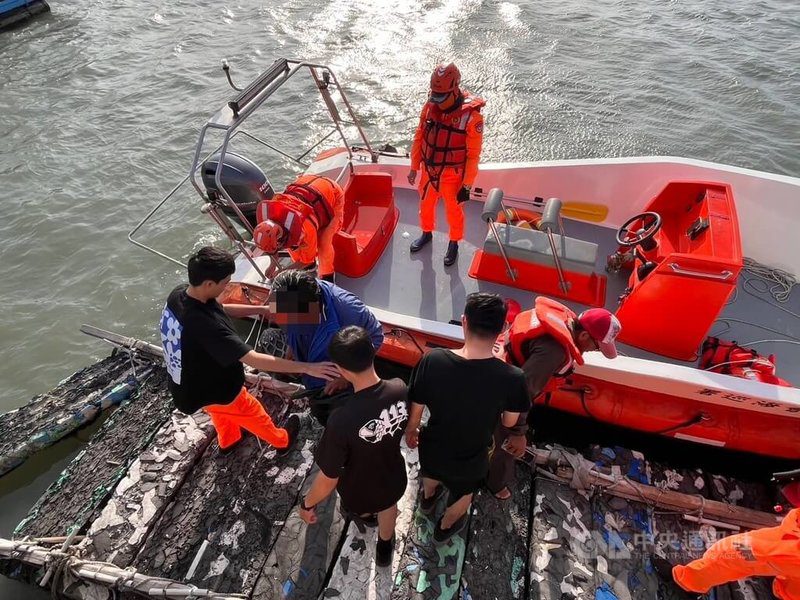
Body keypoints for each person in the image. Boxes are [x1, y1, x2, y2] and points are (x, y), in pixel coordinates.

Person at [159, 246, 341, 453]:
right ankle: (281, 441)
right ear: (209, 283)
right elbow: (253, 359)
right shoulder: (205, 327)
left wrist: (261, 309)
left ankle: (229, 440)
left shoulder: (180, 295)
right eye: (225, 283)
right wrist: (308, 367)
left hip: (187, 385)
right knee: (250, 411)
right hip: (217, 388)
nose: (227, 287)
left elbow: (220, 309)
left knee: (219, 412)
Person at [404, 292, 529, 543]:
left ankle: (428, 499)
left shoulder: (433, 359)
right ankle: (446, 526)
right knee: (463, 495)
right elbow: (508, 422)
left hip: (434, 445)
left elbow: (416, 403)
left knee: (431, 475)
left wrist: (412, 430)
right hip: (471, 456)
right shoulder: (513, 378)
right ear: (503, 329)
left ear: (464, 322)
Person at [487, 297, 621, 500]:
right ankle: (495, 484)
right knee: (507, 445)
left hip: (500, 367)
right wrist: (518, 433)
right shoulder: (554, 352)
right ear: (584, 334)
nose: (595, 351)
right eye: (596, 347)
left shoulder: (567, 321)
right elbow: (519, 392)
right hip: (502, 391)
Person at [298, 326, 409, 567]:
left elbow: (328, 477)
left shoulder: (342, 420)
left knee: (367, 507)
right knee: (389, 505)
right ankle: (385, 547)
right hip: (393, 477)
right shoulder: (400, 388)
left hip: (358, 490)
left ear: (341, 370)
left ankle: (368, 518)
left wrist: (307, 504)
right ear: (372, 352)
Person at [665, 476, 800, 599]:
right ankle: (786, 592)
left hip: (793, 547)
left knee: (733, 551)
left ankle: (688, 583)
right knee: (792, 586)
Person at [408, 62, 485, 267]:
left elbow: (473, 155)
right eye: (435, 96)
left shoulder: (472, 117)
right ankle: (426, 233)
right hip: (429, 170)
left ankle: (454, 242)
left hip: (453, 174)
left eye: (441, 97)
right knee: (425, 205)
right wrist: (414, 166)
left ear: (455, 89)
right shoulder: (430, 106)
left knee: (453, 211)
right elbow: (419, 137)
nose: (438, 102)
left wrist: (467, 185)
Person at [268, 269, 384, 399]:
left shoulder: (349, 309)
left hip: (332, 375)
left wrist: (346, 377)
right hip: (307, 356)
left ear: (314, 306)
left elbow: (376, 336)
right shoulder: (293, 296)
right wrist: (291, 347)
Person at [252, 174, 345, 282]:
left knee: (323, 243)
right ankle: (309, 268)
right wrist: (272, 265)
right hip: (307, 184)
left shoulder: (305, 228)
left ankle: (328, 278)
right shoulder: (271, 220)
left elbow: (307, 260)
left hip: (332, 193)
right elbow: (274, 246)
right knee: (293, 247)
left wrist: (282, 272)